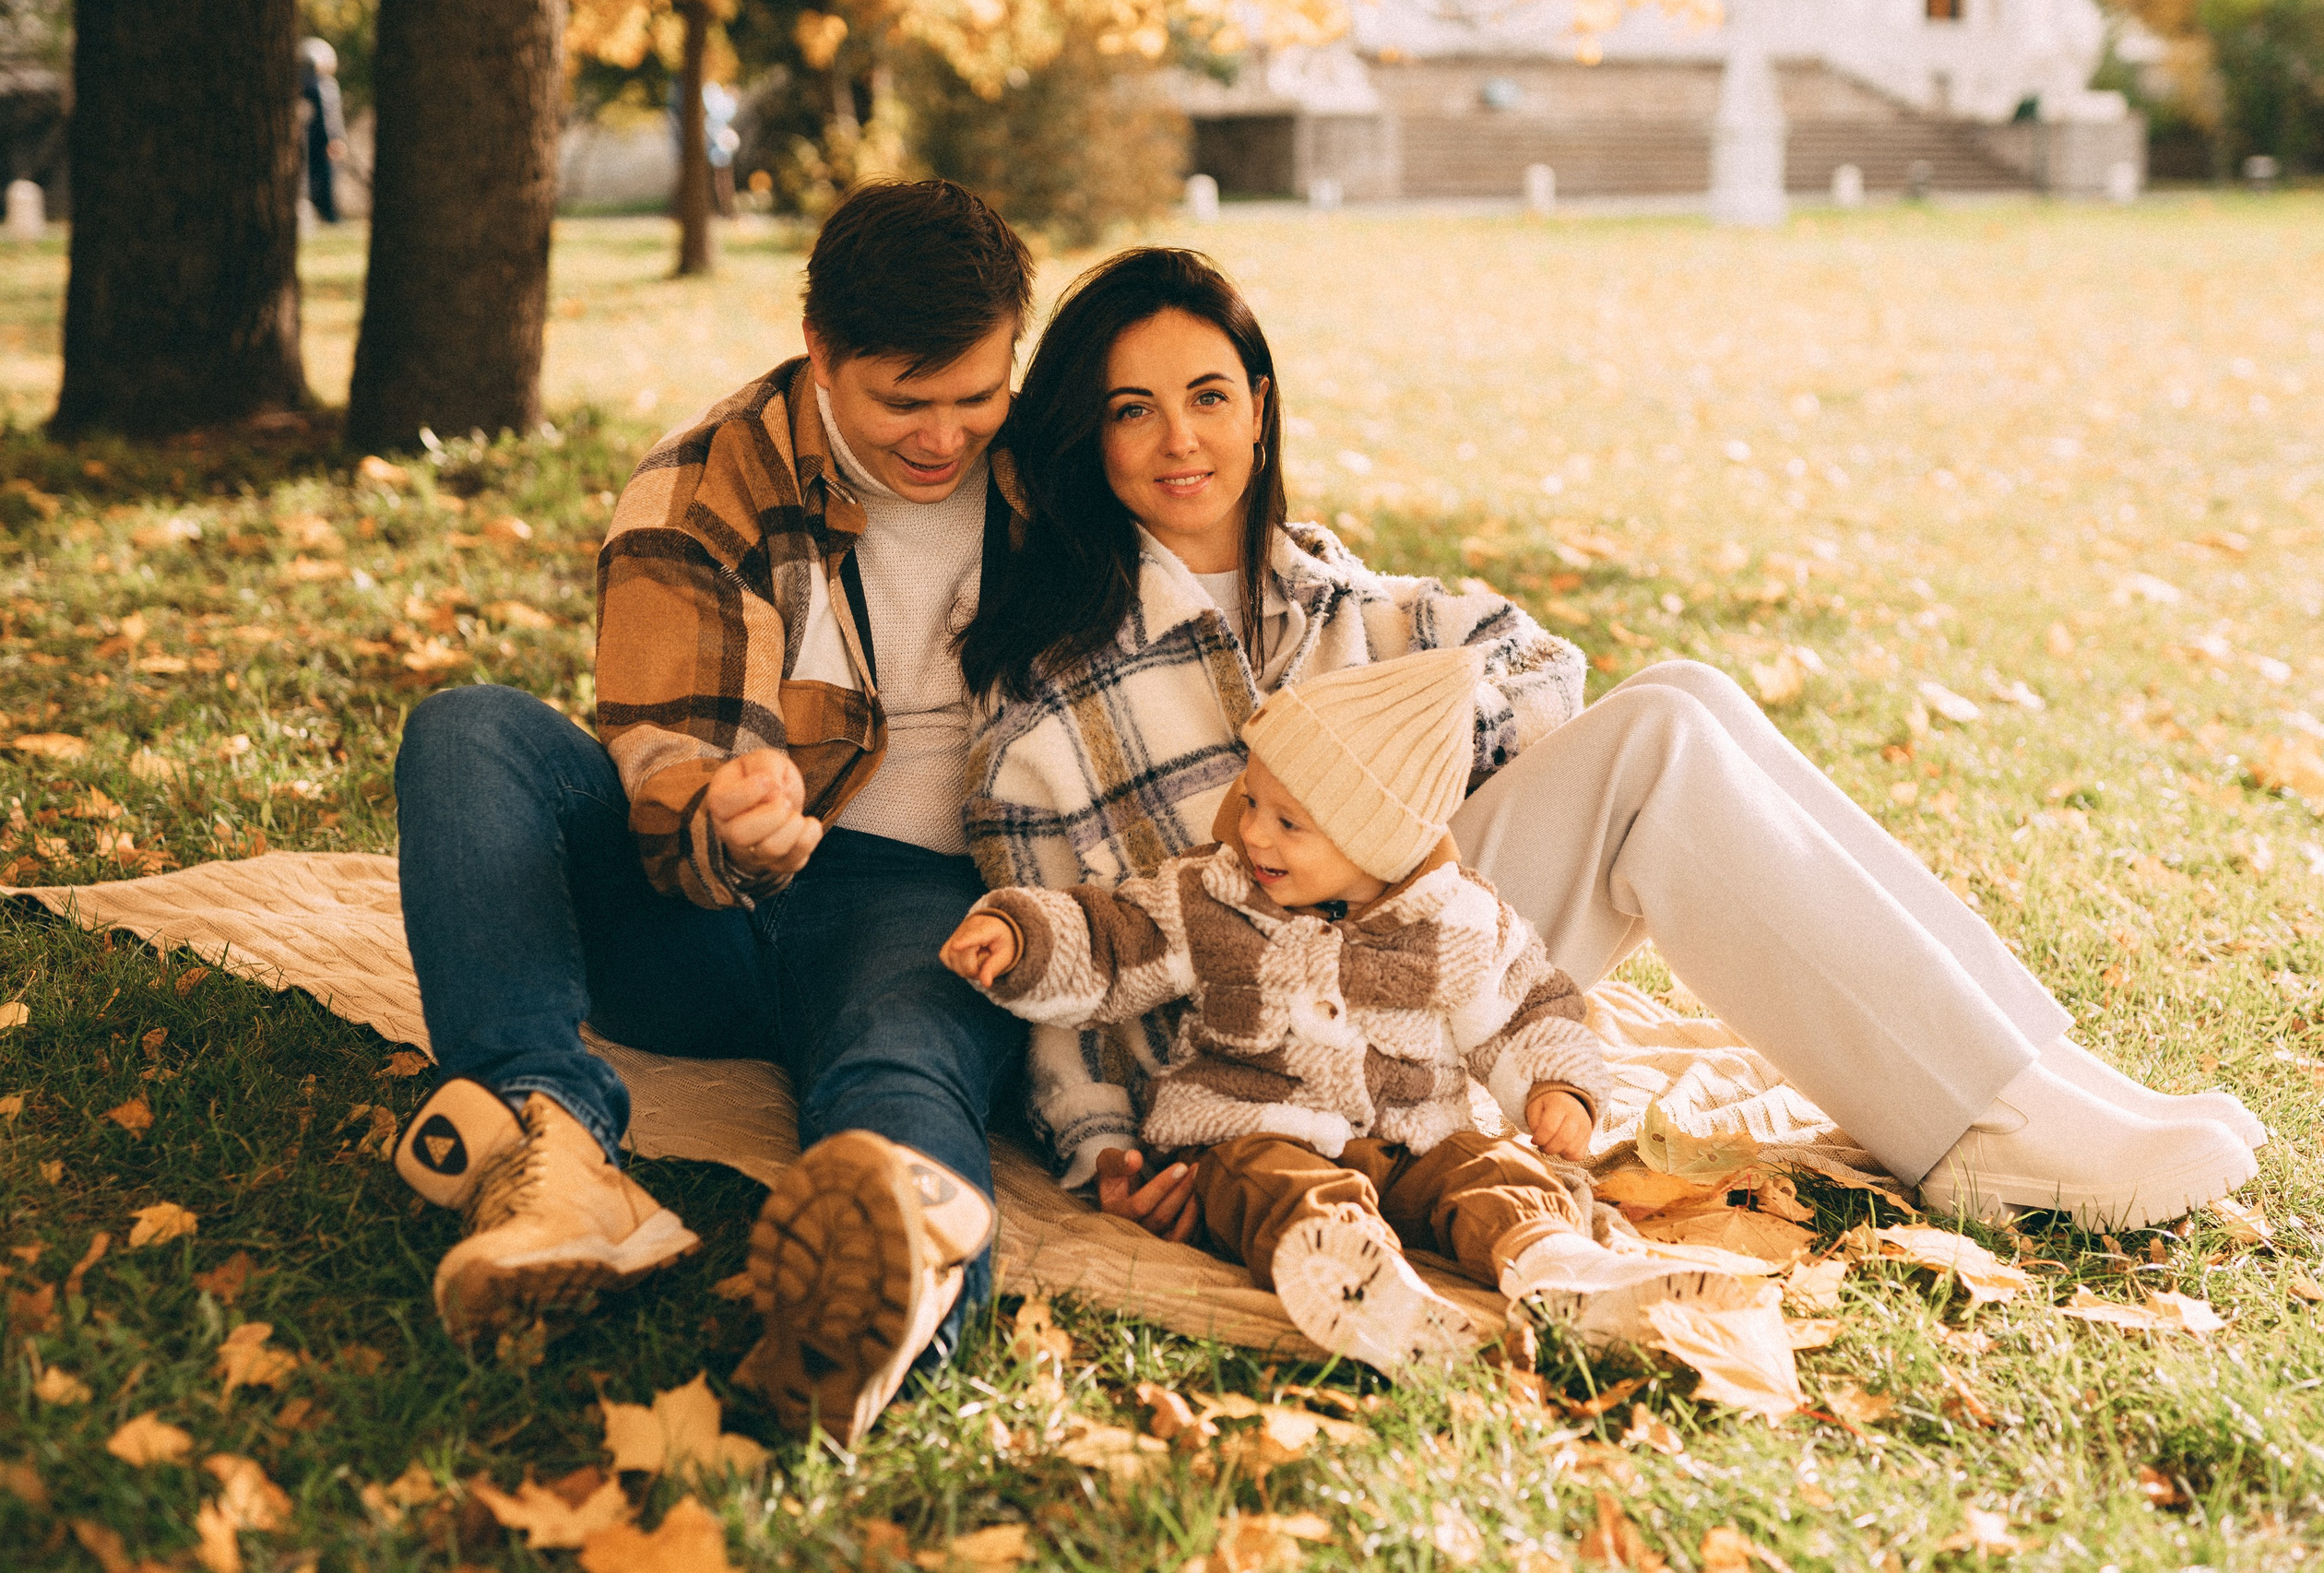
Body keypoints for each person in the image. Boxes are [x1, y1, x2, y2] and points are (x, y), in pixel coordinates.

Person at [960, 246, 2263, 1243]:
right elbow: (1051, 964)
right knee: (1659, 738)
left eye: (1208, 395)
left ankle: (2032, 1074)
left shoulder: (1344, 597)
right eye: (1133, 410)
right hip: (1264, 1066)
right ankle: (1974, 1126)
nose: (1180, 438)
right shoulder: (1055, 687)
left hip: (1432, 980)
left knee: (1681, 691)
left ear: (1261, 408)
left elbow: (1540, 670)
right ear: (1089, 438)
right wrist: (1100, 1150)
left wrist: (1387, 776)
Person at [390, 180, 1034, 1448]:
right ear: (821, 355)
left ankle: (891, 1301)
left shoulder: (1051, 476)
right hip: (703, 916)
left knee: (896, 1068)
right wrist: (727, 814)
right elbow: (669, 750)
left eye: (978, 394)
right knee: (466, 730)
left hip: (928, 907)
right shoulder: (703, 484)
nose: (945, 438)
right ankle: (553, 1147)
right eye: (905, 400)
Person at [945, 647, 1744, 1370]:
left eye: (1289, 822)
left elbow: (1525, 1007)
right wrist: (1021, 941)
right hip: (1251, 1127)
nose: (1252, 832)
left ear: (1381, 842)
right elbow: (1117, 938)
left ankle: (1555, 1263)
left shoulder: (1456, 921)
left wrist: (1557, 1089)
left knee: (1492, 1168)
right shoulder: (1212, 895)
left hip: (1413, 1135)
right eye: (1252, 800)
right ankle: (1348, 1275)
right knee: (1266, 1183)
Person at [298, 38, 345, 225]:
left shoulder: (308, 86)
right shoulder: (322, 87)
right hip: (320, 142)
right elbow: (327, 117)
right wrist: (332, 139)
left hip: (311, 140)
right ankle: (328, 214)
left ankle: (326, 213)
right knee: (323, 177)